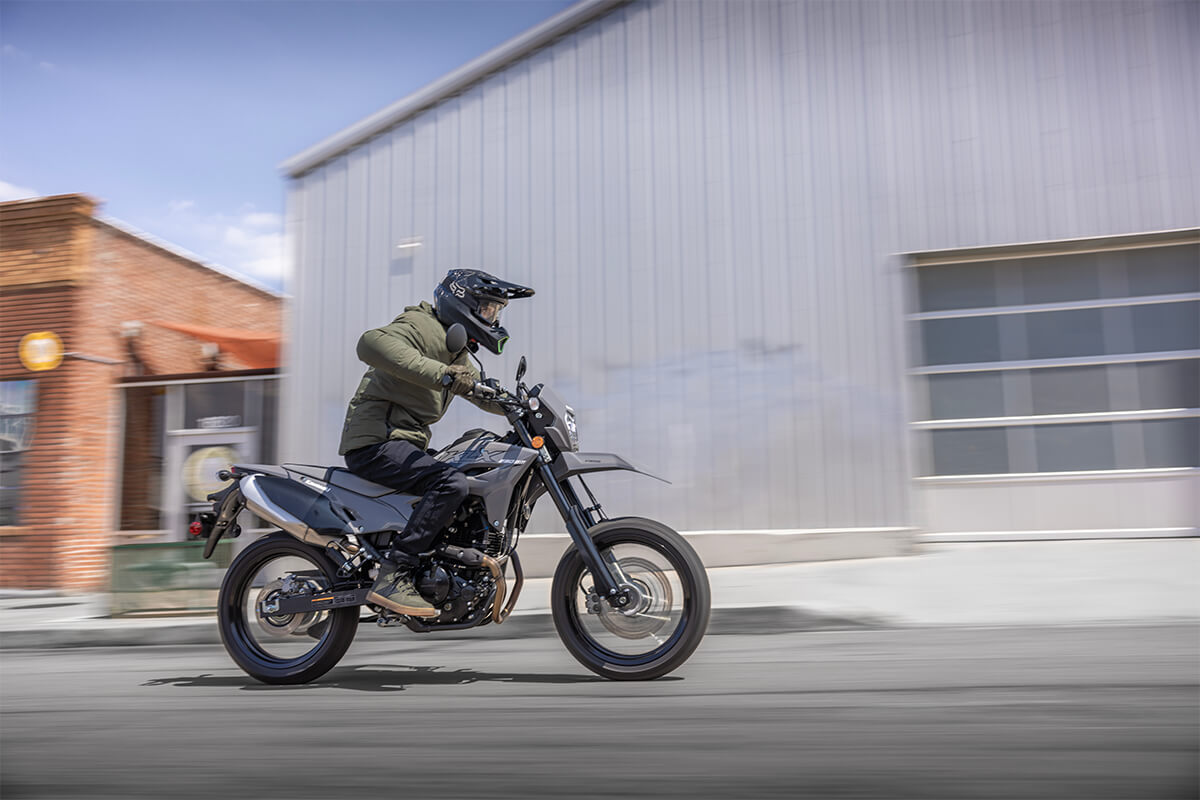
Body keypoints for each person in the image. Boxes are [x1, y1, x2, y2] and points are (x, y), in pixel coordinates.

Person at [338, 269, 534, 617]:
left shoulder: (455, 351)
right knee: (450, 483)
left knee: (470, 469)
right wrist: (442, 374)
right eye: (488, 308)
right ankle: (395, 574)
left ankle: (440, 571)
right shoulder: (420, 325)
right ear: (462, 302)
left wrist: (522, 407)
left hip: (404, 444)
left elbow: (478, 391)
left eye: (496, 312)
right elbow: (369, 343)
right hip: (376, 442)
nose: (493, 318)